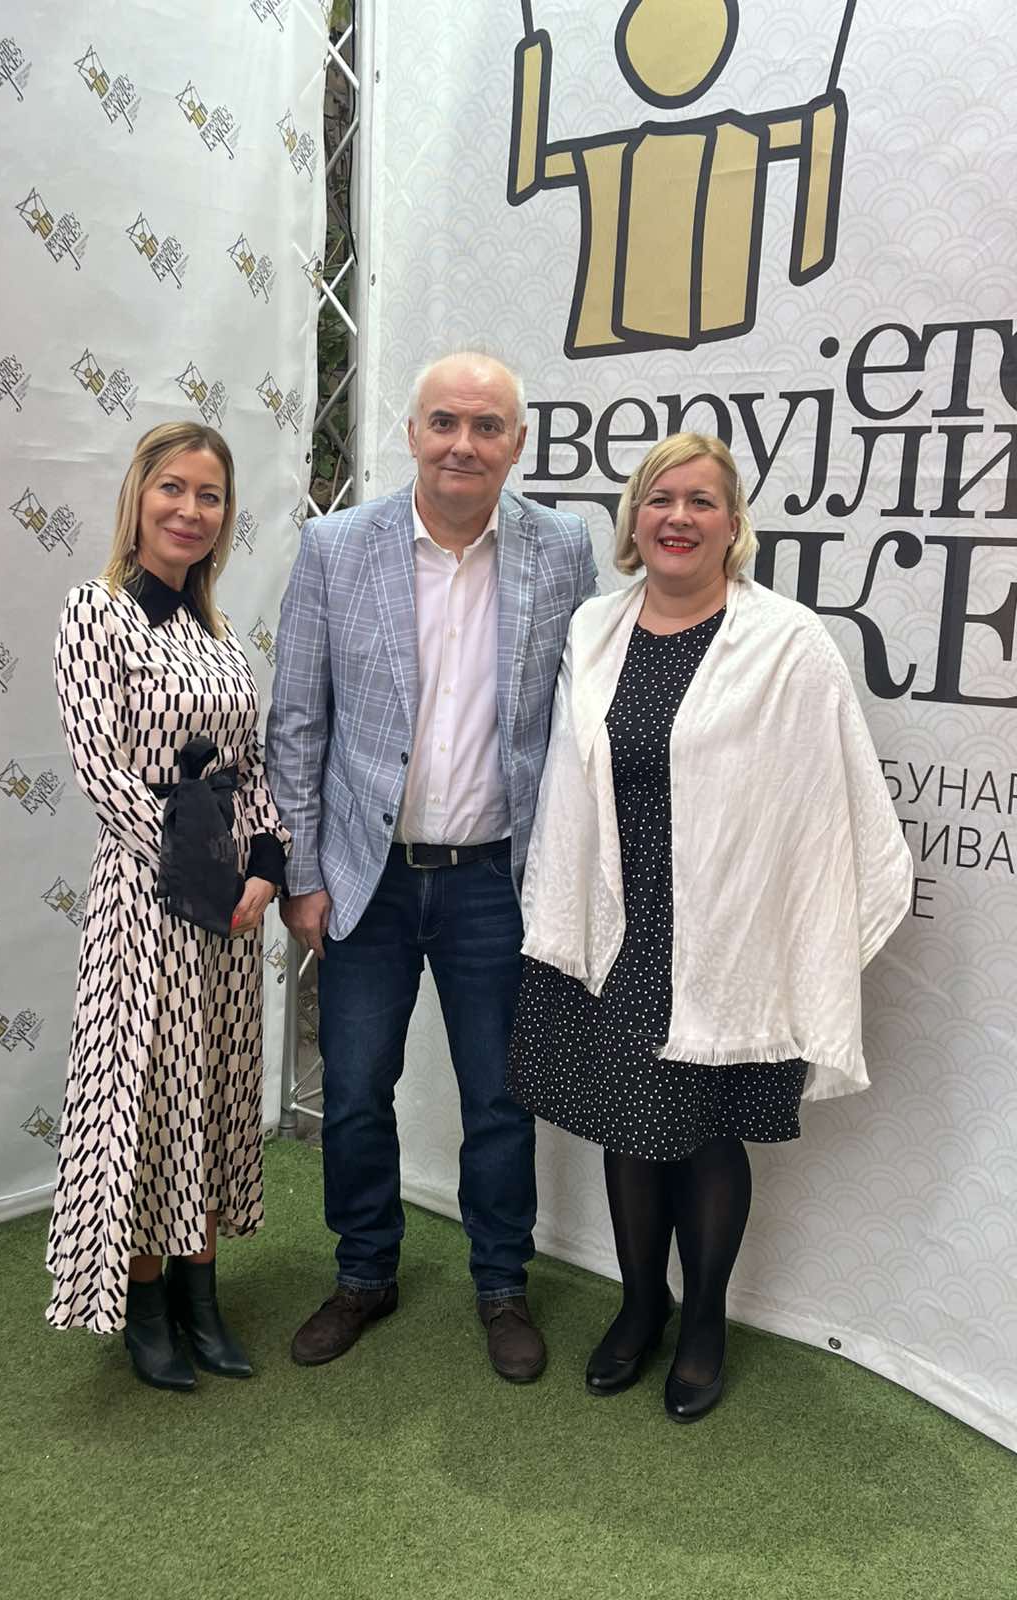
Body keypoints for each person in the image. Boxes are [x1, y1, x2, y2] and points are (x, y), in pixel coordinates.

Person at [507, 432, 911, 1421]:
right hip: (618, 916)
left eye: (700, 500)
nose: (678, 516)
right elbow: (572, 780)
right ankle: (641, 1305)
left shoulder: (786, 642)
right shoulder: (594, 629)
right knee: (629, 1123)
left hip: (726, 929)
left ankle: (704, 1322)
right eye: (659, 498)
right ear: (634, 521)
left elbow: (826, 796)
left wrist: (803, 921)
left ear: (734, 524)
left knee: (705, 1132)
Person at [266, 352, 597, 1381]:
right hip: (367, 878)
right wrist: (304, 873)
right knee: (357, 1089)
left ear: (518, 444)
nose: (463, 443)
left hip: (497, 880)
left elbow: (577, 718)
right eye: (444, 422)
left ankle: (502, 1283)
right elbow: (298, 720)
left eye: (487, 426)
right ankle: (363, 1272)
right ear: (411, 433)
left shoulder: (563, 548)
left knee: (500, 1097)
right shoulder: (336, 547)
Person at [47, 420, 289, 1392]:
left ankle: (201, 1292)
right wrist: (203, 871)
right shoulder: (94, 612)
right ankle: (145, 1302)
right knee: (147, 1098)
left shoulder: (220, 637)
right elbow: (100, 772)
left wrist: (263, 865)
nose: (191, 510)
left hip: (228, 910)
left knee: (214, 1091)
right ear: (138, 496)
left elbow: (249, 768)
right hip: (146, 900)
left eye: (210, 495)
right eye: (174, 489)